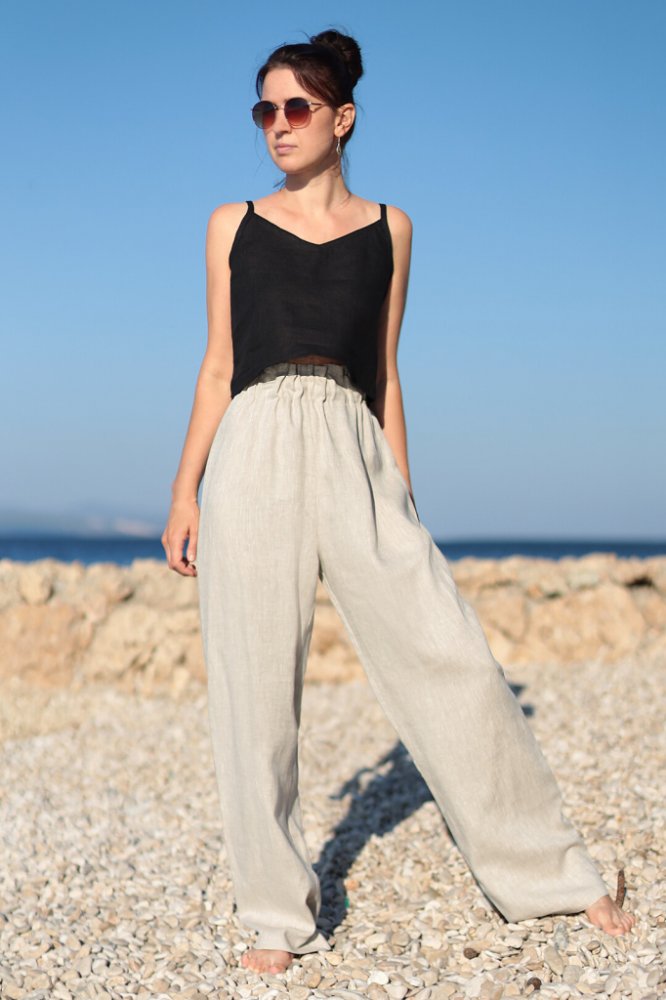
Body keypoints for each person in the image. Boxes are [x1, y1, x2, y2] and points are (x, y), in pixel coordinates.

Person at [161, 28, 635, 976]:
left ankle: (548, 870)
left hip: (352, 438)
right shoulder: (230, 224)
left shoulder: (392, 229)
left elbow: (384, 370)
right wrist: (185, 492)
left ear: (341, 118)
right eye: (265, 109)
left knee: (446, 653)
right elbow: (217, 366)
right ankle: (275, 915)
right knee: (255, 689)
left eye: (297, 107)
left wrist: (400, 490)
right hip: (253, 441)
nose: (278, 124)